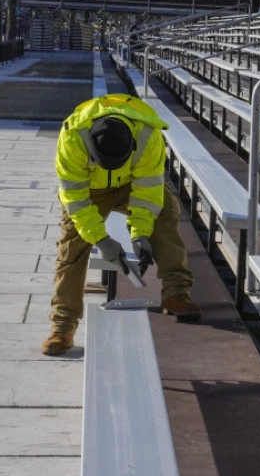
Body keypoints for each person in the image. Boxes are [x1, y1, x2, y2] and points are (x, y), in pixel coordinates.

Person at [43, 93, 201, 355]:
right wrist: (102, 240)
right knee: (72, 246)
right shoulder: (72, 137)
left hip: (130, 184)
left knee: (166, 211)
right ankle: (63, 325)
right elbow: (74, 198)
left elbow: (148, 190)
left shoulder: (148, 136)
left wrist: (140, 234)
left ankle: (177, 292)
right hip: (90, 190)